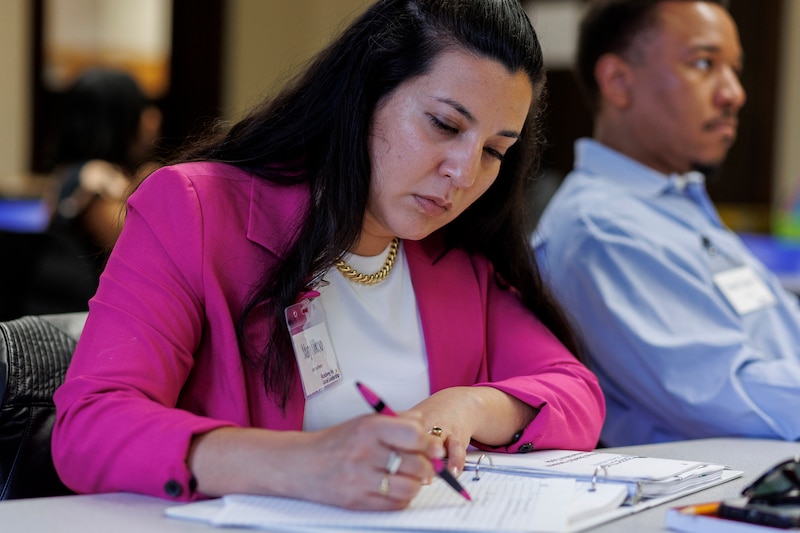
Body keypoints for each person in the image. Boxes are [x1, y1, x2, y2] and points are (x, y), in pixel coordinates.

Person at [52, 0, 605, 511]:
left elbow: (577, 393)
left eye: (493, 151)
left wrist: (465, 408)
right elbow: (90, 427)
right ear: (364, 94)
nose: (463, 174)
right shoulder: (197, 210)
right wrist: (302, 463)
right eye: (444, 125)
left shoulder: (455, 259)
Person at [534, 0, 800, 447]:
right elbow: (730, 396)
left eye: (734, 69)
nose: (734, 93)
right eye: (704, 63)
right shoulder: (601, 230)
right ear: (619, 82)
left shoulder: (674, 203)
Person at [48, 67, 162, 268]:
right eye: (142, 107)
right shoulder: (96, 178)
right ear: (119, 120)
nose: (154, 118)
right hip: (86, 297)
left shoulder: (67, 172)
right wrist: (152, 188)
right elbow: (141, 249)